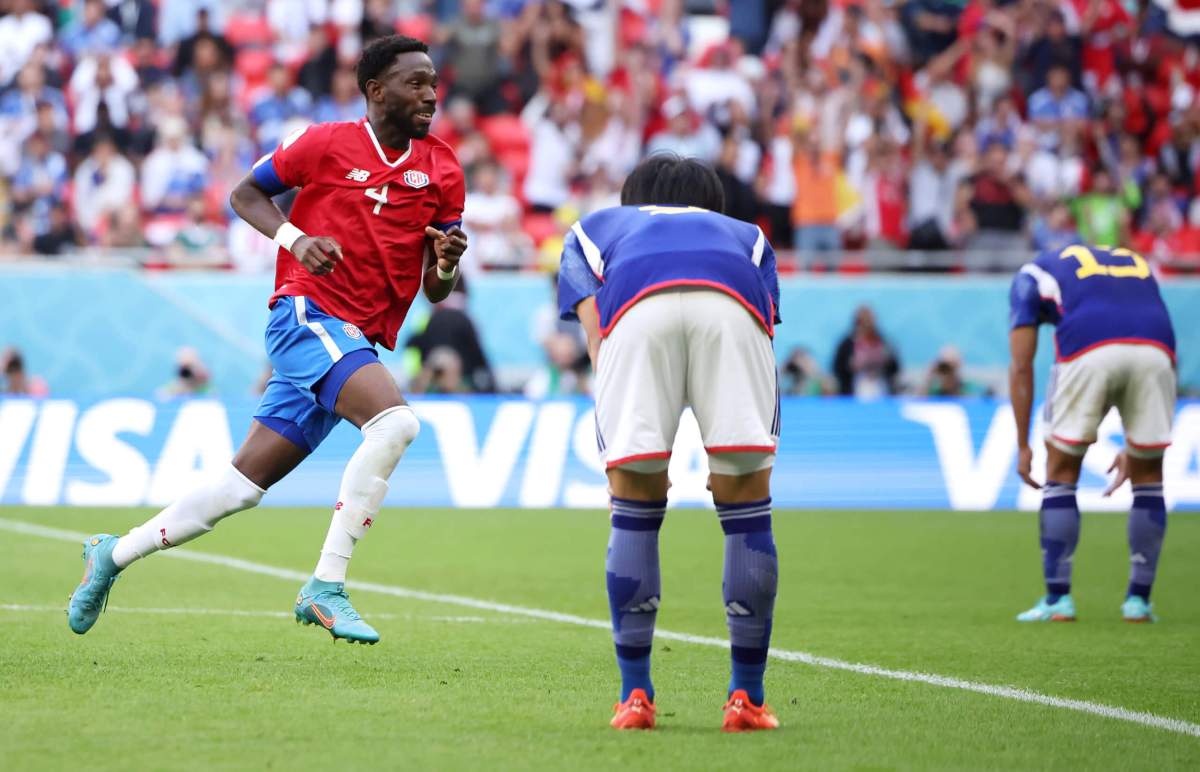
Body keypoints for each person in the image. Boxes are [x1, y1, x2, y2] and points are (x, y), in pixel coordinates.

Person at [67, 36, 469, 646]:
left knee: (241, 489)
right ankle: (326, 586)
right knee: (394, 425)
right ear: (375, 89)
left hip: (355, 340)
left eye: (434, 82)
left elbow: (436, 290)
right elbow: (245, 193)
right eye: (416, 82)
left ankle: (112, 555)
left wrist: (444, 265)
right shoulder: (325, 143)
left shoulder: (441, 169)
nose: (431, 95)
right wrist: (296, 241)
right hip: (306, 313)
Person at [558, 155, 782, 732]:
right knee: (746, 508)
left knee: (634, 510)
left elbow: (597, 337)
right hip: (731, 306)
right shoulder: (747, 235)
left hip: (635, 313)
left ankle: (635, 696)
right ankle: (747, 699)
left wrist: (631, 461)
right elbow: (763, 323)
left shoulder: (598, 226)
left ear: (636, 196)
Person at [1009, 243, 1176, 623]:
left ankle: (1057, 599)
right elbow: (1150, 324)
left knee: (1063, 470)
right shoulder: (1132, 259)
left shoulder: (1032, 273)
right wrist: (1136, 445)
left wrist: (1022, 444)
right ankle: (1138, 601)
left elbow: (1021, 366)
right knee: (1149, 475)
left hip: (1088, 345)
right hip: (1157, 349)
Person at [832, 306, 901, 398]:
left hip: (879, 383)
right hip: (855, 386)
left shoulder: (882, 341)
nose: (867, 324)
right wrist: (851, 366)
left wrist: (885, 361)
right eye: (863, 320)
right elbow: (837, 368)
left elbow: (895, 368)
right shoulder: (847, 344)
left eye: (869, 320)